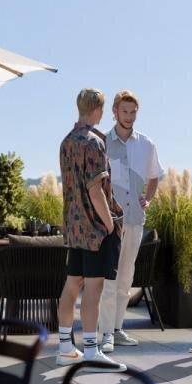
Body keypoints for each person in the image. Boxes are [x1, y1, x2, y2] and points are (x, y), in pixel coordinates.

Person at [56, 87, 119, 363]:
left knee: (72, 285)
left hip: (73, 226)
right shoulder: (93, 142)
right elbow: (96, 190)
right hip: (93, 227)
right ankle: (92, 351)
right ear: (98, 110)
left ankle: (64, 348)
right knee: (93, 290)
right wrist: (109, 225)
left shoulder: (66, 141)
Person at [98, 89, 163, 351]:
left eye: (133, 111)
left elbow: (155, 175)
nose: (129, 116)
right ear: (115, 112)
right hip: (110, 222)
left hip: (135, 219)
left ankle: (117, 328)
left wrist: (148, 198)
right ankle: (105, 334)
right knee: (109, 279)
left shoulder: (146, 144)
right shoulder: (101, 142)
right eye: (124, 111)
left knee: (126, 278)